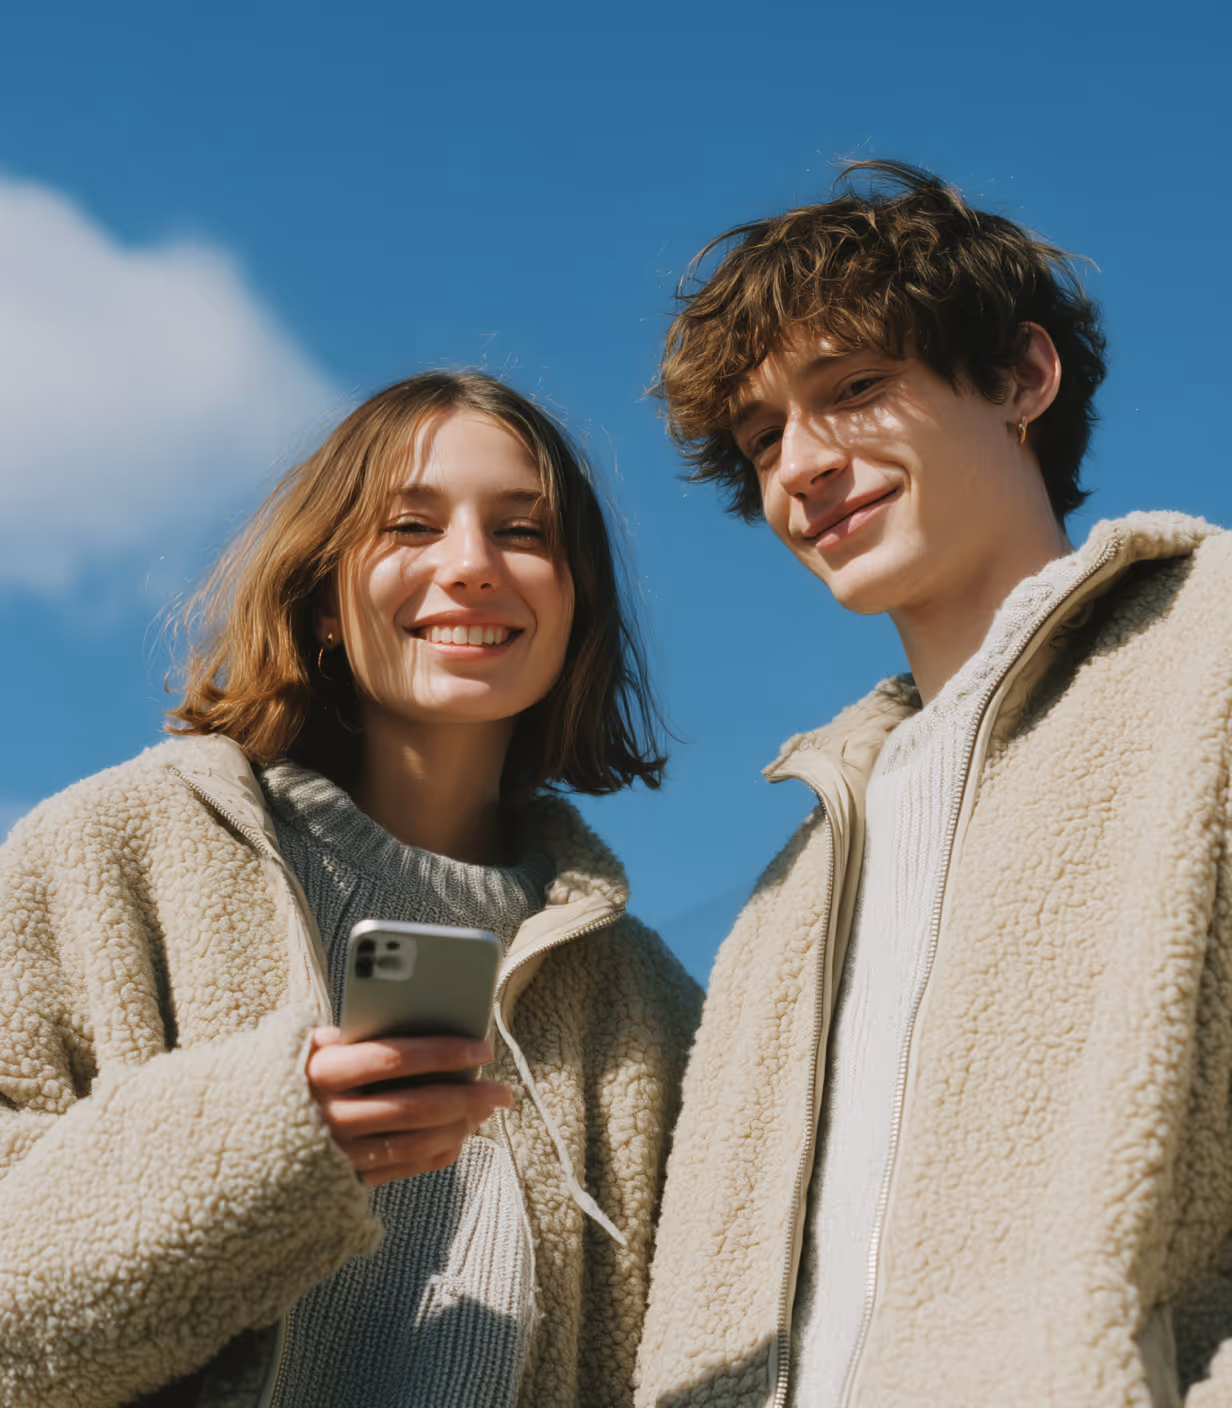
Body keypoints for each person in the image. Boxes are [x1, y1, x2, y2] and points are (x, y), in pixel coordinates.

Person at [634, 162, 1232, 1407]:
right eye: (760, 439)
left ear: (1020, 377)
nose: (798, 465)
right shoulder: (783, 896)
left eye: (851, 389)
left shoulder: (1210, 654)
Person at [0, 370, 701, 1408]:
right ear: (324, 598)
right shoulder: (110, 850)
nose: (470, 565)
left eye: (523, 532)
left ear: (573, 606)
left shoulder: (643, 1000)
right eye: (410, 525)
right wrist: (265, 1137)